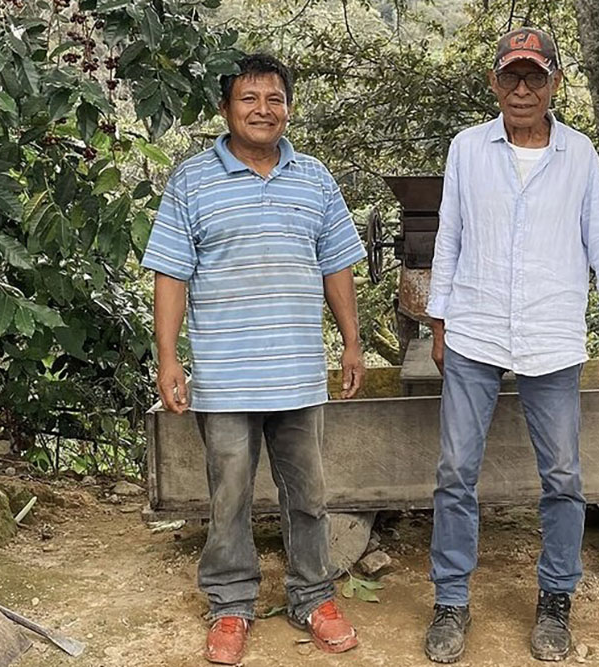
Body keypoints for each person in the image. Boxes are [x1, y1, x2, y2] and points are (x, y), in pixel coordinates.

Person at [142, 53, 366, 665]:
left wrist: (351, 341)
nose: (263, 110)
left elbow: (337, 267)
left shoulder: (316, 179)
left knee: (310, 495)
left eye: (275, 99)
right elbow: (170, 274)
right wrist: (168, 359)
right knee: (229, 497)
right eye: (249, 99)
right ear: (226, 109)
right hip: (225, 375)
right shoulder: (191, 181)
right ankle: (230, 605)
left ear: (288, 108)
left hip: (297, 375)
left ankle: (313, 596)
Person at [423, 28, 599, 663]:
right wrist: (440, 321)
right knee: (456, 471)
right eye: (511, 77)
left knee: (563, 476)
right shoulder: (467, 148)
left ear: (554, 84)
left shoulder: (580, 156)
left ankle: (556, 597)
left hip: (552, 337)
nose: (522, 89)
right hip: (475, 331)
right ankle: (452, 599)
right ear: (494, 83)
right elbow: (450, 238)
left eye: (534, 77)